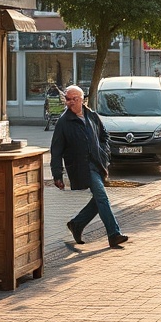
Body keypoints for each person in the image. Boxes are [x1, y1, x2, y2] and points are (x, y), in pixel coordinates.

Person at [50, 84, 129, 248]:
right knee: (102, 196)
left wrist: (104, 153)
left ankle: (77, 224)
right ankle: (113, 234)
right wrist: (57, 175)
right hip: (81, 166)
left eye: (74, 99)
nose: (70, 102)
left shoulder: (92, 115)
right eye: (67, 99)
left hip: (97, 163)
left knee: (99, 199)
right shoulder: (63, 122)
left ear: (82, 100)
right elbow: (56, 150)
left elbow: (104, 135)